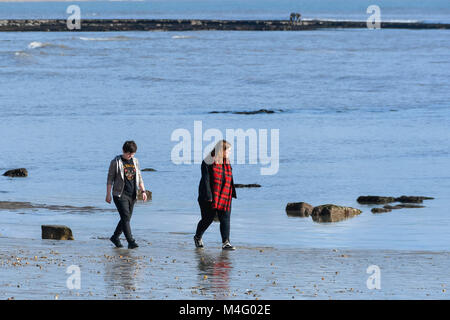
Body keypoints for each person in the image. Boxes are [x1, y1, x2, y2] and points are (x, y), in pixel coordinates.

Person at [194, 140, 237, 250]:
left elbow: (228, 178)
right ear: (221, 150)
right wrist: (208, 196)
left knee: (225, 219)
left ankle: (226, 242)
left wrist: (231, 192)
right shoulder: (208, 161)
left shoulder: (226, 161)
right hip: (208, 196)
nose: (230, 153)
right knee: (207, 219)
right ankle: (198, 237)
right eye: (228, 150)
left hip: (225, 196)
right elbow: (206, 180)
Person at [106, 140, 147, 249]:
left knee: (126, 218)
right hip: (119, 195)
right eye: (129, 153)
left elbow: (139, 177)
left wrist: (143, 191)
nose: (130, 156)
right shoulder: (116, 162)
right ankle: (131, 242)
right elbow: (110, 179)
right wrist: (108, 194)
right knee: (125, 217)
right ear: (124, 151)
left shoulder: (135, 161)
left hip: (132, 194)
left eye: (132, 154)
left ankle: (115, 237)